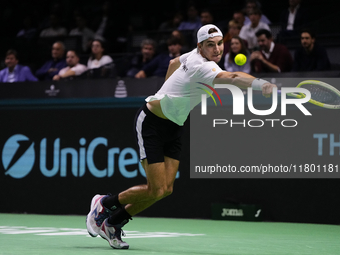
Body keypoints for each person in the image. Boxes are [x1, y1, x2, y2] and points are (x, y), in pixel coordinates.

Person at [86, 24, 276, 250]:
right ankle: (104, 203)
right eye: (210, 45)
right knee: (155, 189)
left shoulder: (192, 55)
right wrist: (260, 83)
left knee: (165, 190)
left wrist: (166, 93)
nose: (216, 49)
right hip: (152, 124)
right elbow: (233, 77)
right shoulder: (204, 67)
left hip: (175, 125)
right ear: (200, 47)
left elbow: (173, 63)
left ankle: (114, 223)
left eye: (219, 43)